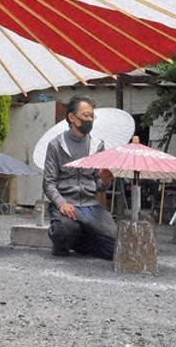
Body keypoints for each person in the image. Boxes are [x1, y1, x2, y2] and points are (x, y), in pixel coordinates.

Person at [42, 94, 117, 259]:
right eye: (85, 115)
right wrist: (61, 203)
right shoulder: (55, 145)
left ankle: (80, 243)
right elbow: (49, 183)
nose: (89, 119)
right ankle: (62, 242)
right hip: (67, 203)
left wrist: (105, 181)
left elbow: (98, 184)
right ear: (72, 117)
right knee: (65, 230)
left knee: (114, 246)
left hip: (91, 206)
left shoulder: (98, 145)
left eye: (92, 116)